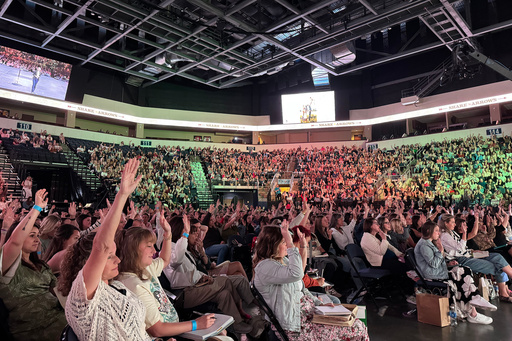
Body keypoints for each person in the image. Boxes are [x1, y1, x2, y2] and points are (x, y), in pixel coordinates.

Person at [60, 158, 153, 340]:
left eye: (115, 255)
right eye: (110, 257)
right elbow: (101, 247)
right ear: (89, 261)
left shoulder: (117, 286)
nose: (118, 260)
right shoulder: (82, 299)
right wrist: (122, 195)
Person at [252, 223, 369, 341]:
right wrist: (290, 241)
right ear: (272, 245)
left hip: (308, 315)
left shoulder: (283, 261)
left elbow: (302, 289)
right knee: (357, 328)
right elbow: (297, 273)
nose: (287, 246)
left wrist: (320, 304)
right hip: (296, 325)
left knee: (357, 325)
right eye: (284, 243)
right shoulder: (264, 267)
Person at [116, 214, 222, 339]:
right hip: (167, 335)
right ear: (133, 251)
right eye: (149, 246)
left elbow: (165, 260)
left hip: (175, 326)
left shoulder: (145, 267)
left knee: (222, 332)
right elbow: (157, 329)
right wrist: (196, 324)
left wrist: (168, 234)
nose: (154, 251)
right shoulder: (134, 285)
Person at [163, 215, 254, 335]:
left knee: (224, 294)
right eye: (188, 230)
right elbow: (176, 261)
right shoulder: (172, 249)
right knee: (225, 281)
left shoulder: (184, 249)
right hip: (185, 294)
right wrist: (185, 234)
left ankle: (235, 323)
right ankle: (248, 308)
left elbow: (193, 270)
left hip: (195, 286)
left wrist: (202, 276)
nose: (192, 233)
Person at [0, 189, 67, 340]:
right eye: (31, 236)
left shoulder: (42, 265)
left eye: (37, 235)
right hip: (34, 327)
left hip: (59, 316)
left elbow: (58, 290)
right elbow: (15, 241)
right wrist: (36, 208)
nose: (37, 239)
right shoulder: (9, 267)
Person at [414, 221, 496, 324]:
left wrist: (448, 264)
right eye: (436, 231)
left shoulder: (428, 243)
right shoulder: (424, 245)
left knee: (464, 269)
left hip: (438, 271)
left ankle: (474, 300)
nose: (438, 233)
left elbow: (436, 262)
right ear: (428, 231)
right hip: (432, 274)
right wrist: (440, 250)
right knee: (460, 274)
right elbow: (434, 264)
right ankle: (473, 310)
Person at [439, 213, 512, 303]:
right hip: (462, 260)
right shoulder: (445, 236)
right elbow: (460, 248)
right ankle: (503, 293)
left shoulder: (451, 232)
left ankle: (504, 292)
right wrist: (465, 233)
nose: (454, 224)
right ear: (446, 223)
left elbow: (462, 249)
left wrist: (471, 251)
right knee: (499, 265)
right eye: (452, 222)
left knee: (498, 257)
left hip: (468, 255)